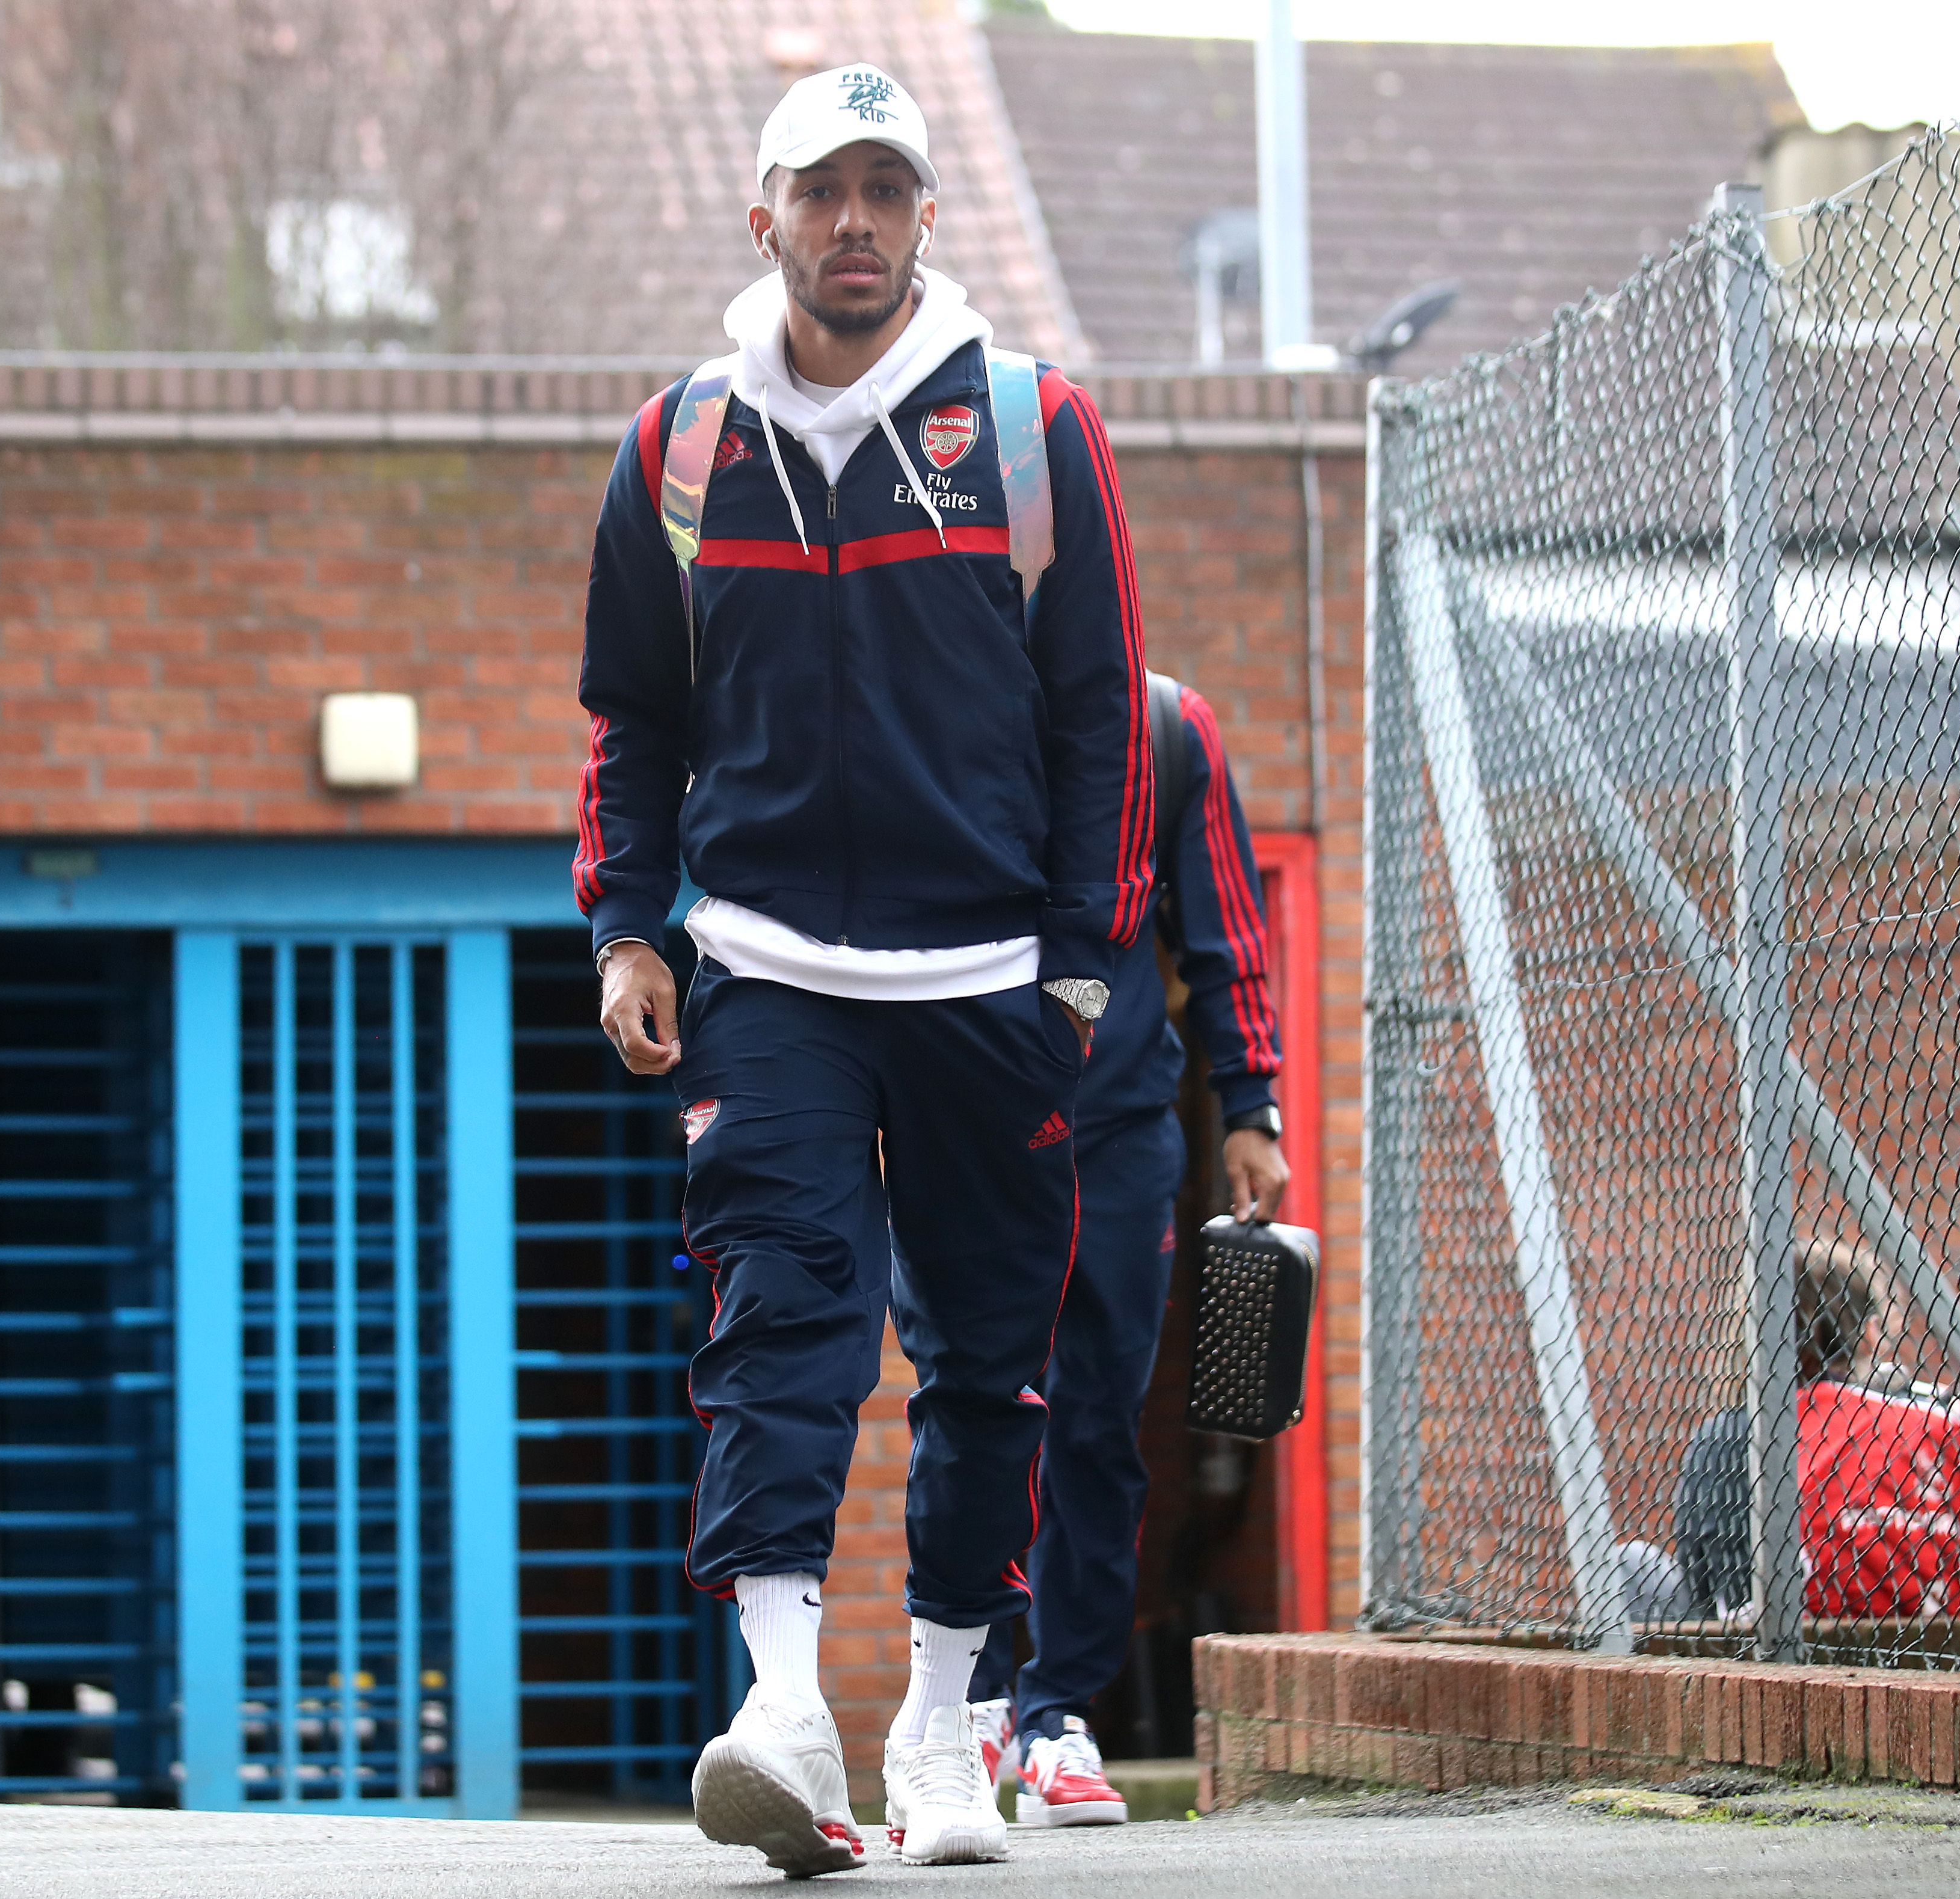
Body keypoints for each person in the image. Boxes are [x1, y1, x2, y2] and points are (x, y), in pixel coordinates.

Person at [574, 61, 1152, 1874]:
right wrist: (627, 926)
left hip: (988, 981)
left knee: (989, 1367)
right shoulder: (678, 448)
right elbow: (633, 721)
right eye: (823, 191)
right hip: (767, 972)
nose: (854, 223)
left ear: (923, 218)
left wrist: (1078, 976)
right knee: (780, 1325)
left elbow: (1103, 722)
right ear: (764, 215)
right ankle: (782, 1709)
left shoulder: (1034, 430)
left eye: (885, 192)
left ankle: (943, 1726)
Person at [962, 673, 1289, 1825]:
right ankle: (966, 1705)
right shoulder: (932, 690)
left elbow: (1223, 930)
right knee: (974, 1408)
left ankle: (1053, 1714)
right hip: (963, 1126)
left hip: (1112, 1134)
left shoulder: (1165, 727)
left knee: (1095, 1425)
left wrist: (1249, 1104)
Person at [1667, 1241, 1960, 1622]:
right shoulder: (1928, 1421)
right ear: (1870, 1332)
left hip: (1761, 1634)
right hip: (1951, 1633)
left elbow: (1700, 1571)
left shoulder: (1731, 1434)